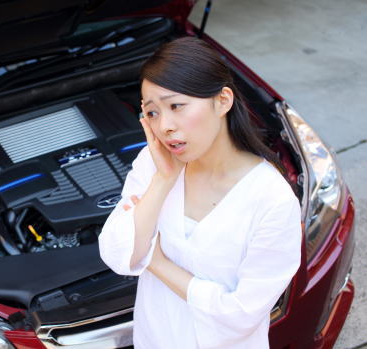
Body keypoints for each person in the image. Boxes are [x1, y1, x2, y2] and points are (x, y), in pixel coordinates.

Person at [98, 37, 302, 348]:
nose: (165, 126)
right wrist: (163, 179)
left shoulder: (271, 199)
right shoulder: (154, 165)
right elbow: (117, 253)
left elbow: (241, 314)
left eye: (176, 106)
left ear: (222, 101)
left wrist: (157, 262)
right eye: (152, 112)